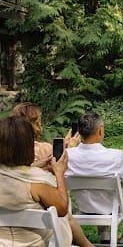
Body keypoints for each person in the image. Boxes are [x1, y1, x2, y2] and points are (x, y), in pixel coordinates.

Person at [10, 102, 93, 247]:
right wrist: (68, 150)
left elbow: (22, 170)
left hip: (12, 226)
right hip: (43, 217)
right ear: (36, 123)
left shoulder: (9, 161)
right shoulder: (44, 150)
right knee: (65, 215)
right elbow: (60, 202)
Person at [65, 112, 123, 244]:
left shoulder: (67, 156)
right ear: (100, 130)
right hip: (113, 206)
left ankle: (105, 235)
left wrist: (68, 148)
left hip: (85, 206)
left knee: (99, 194)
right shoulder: (115, 156)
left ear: (79, 132)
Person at [0, 116, 73, 246]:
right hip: (31, 243)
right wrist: (59, 173)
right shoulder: (37, 184)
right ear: (28, 145)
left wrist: (35, 166)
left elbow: (13, 175)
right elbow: (62, 210)